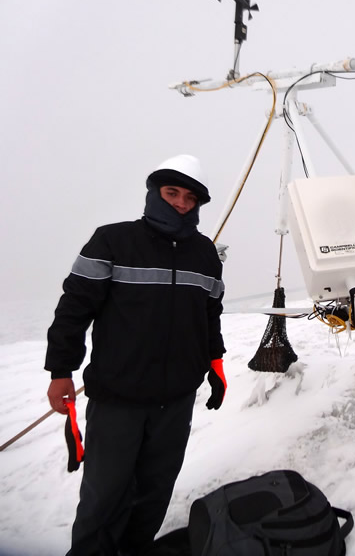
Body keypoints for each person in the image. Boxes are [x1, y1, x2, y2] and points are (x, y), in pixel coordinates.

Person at [45, 154, 227, 555]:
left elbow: (209, 314)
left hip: (176, 400)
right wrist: (61, 369)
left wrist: (215, 362)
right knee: (105, 496)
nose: (181, 203)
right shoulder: (112, 240)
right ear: (154, 193)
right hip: (117, 399)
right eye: (172, 192)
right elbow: (75, 308)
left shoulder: (205, 254)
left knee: (155, 491)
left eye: (190, 197)